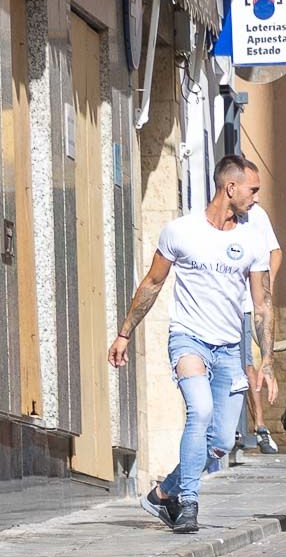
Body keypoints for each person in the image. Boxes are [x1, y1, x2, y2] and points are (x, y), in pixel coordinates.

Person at [108, 156, 276, 534]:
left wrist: (266, 358)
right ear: (230, 188)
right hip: (189, 339)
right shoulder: (180, 231)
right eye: (253, 190)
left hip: (230, 348)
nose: (256, 199)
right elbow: (152, 284)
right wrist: (124, 333)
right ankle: (188, 504)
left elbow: (262, 303)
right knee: (199, 412)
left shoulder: (253, 238)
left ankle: (162, 494)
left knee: (218, 443)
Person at [239, 204, 282, 455]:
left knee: (247, 366)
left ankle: (260, 427)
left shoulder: (256, 214)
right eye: (251, 189)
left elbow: (275, 252)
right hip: (216, 308)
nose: (254, 196)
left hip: (245, 306)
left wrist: (268, 287)